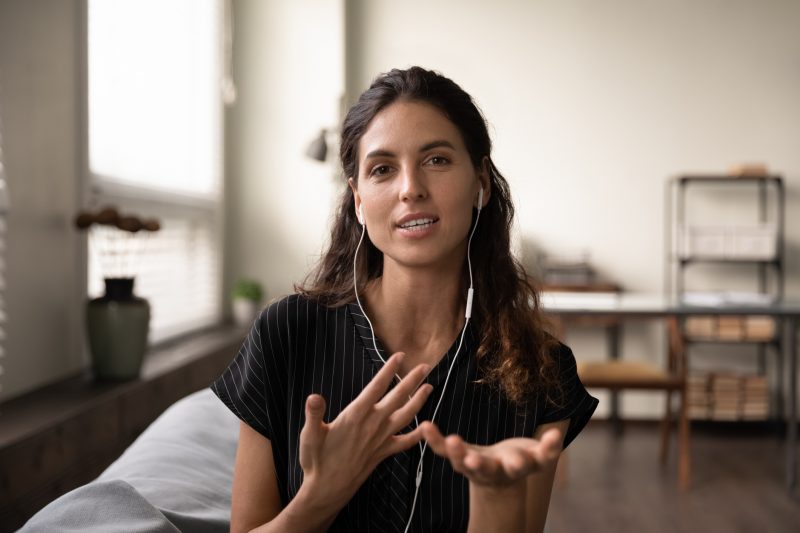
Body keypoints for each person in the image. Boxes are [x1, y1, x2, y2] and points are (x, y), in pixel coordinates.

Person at [212, 66, 598, 533]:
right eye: (382, 169)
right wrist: (319, 497)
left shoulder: (541, 370)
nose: (410, 188)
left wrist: (495, 498)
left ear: (481, 183)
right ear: (357, 200)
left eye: (436, 160)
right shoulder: (287, 333)